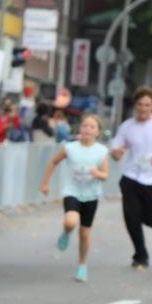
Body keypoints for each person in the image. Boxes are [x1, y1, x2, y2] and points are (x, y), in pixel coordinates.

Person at [110, 86, 152, 270]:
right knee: (131, 217)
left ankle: (146, 216)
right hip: (131, 177)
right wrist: (117, 153)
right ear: (135, 105)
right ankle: (140, 255)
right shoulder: (127, 126)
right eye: (140, 104)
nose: (143, 109)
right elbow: (115, 151)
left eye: (147, 105)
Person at [38, 113, 110, 282]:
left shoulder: (102, 151)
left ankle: (82, 266)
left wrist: (97, 173)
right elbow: (53, 162)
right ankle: (66, 232)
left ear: (98, 132)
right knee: (71, 221)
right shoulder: (70, 147)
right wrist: (45, 183)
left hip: (91, 195)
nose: (87, 129)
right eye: (85, 126)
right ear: (80, 128)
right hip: (72, 191)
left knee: (85, 233)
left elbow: (105, 175)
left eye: (92, 127)